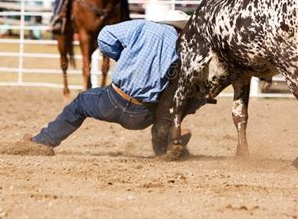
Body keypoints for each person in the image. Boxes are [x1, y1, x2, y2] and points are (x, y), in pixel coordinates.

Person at [24, 10, 192, 149]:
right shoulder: (183, 45)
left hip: (113, 100)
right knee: (166, 112)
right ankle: (166, 146)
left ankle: (42, 143)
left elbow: (105, 37)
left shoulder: (142, 26)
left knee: (80, 103)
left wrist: (123, 57)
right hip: (143, 114)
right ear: (181, 29)